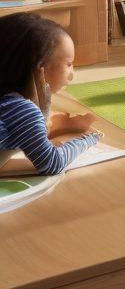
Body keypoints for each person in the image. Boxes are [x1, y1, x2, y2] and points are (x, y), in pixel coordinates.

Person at [0, 13, 102, 174]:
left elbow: (31, 134)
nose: (72, 74)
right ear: (40, 69)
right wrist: (88, 139)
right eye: (68, 64)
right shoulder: (19, 108)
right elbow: (52, 163)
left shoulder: (9, 103)